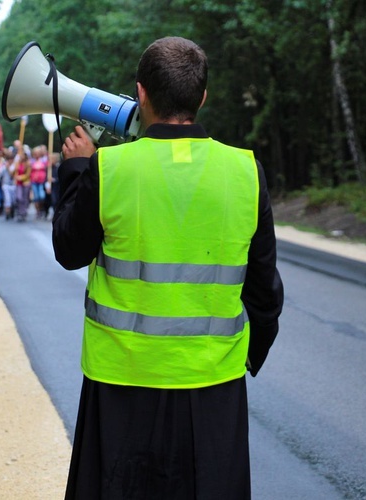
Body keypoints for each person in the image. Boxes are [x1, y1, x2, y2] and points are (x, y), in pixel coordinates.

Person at [52, 36, 284, 499]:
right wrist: (244, 358)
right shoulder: (245, 170)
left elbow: (69, 251)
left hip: (120, 382)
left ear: (140, 93)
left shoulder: (109, 167)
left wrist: (76, 170)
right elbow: (265, 293)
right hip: (212, 385)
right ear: (202, 96)